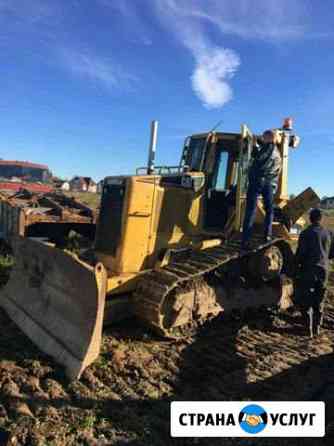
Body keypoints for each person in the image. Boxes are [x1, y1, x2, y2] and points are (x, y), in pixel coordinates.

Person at [295, 208, 333, 338]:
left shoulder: (306, 233)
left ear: (310, 219)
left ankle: (308, 329)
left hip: (309, 270)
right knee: (319, 299)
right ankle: (317, 328)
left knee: (306, 300)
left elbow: (301, 253)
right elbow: (331, 253)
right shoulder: (329, 233)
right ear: (320, 219)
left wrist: (295, 265)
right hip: (324, 270)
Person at [241, 129, 282, 250]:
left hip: (259, 182)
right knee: (269, 210)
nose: (262, 140)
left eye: (264, 138)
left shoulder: (269, 148)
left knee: (250, 210)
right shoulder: (277, 153)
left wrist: (254, 145)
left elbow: (259, 158)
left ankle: (246, 240)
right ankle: (267, 235)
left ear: (269, 138)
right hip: (269, 184)